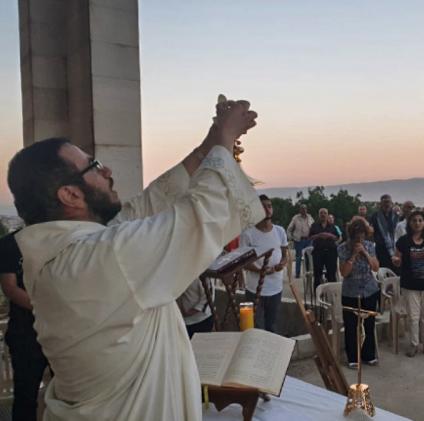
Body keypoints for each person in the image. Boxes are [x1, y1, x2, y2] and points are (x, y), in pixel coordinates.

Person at [6, 97, 262, 420]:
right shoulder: (97, 259)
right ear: (69, 195)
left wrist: (209, 143)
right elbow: (198, 218)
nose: (107, 170)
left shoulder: (67, 254)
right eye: (94, 167)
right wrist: (225, 143)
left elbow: (149, 203)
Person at [0, 229, 49, 420]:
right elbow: (10, 288)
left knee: (71, 395)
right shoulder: (10, 243)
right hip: (25, 335)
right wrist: (54, 311)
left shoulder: (69, 239)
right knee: (25, 396)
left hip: (64, 332)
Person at [392, 211, 424, 357]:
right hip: (410, 284)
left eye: (420, 220)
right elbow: (397, 257)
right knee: (413, 316)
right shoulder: (403, 241)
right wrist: (396, 260)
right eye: (414, 220)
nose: (417, 223)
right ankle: (413, 344)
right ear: (410, 223)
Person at [241, 194, 289, 333]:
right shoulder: (248, 233)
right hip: (254, 289)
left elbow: (285, 255)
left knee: (272, 326)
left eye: (269, 206)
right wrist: (260, 270)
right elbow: (244, 262)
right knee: (256, 328)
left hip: (275, 288)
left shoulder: (279, 231)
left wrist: (281, 264)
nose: (267, 209)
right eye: (263, 206)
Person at [337, 218, 380, 368]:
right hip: (351, 291)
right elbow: (344, 272)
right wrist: (354, 255)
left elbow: (375, 268)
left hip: (369, 290)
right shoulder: (342, 248)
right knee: (351, 326)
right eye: (356, 234)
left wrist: (366, 253)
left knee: (369, 324)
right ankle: (353, 358)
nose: (360, 237)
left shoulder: (370, 245)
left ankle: (368, 355)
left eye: (362, 234)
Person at [309, 208, 340, 287]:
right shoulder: (314, 225)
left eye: (325, 213)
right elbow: (310, 237)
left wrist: (329, 235)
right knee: (317, 274)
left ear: (327, 215)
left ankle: (331, 294)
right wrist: (319, 235)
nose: (323, 214)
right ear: (319, 215)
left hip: (331, 252)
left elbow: (337, 237)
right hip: (318, 252)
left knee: (331, 274)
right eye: (321, 213)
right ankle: (318, 294)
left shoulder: (332, 226)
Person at [370, 194, 399, 270]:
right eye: (385, 202)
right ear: (381, 203)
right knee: (383, 270)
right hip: (381, 248)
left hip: (395, 247)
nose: (387, 204)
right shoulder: (375, 216)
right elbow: (371, 231)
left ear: (391, 203)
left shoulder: (396, 216)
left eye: (388, 202)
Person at [287, 204, 314, 279]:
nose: (304, 210)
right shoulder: (295, 218)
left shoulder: (310, 217)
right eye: (302, 209)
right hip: (299, 240)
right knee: (298, 257)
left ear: (307, 209)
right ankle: (297, 273)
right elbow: (289, 229)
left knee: (309, 256)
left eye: (305, 209)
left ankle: (309, 272)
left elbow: (314, 227)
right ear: (300, 210)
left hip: (309, 240)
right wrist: (290, 238)